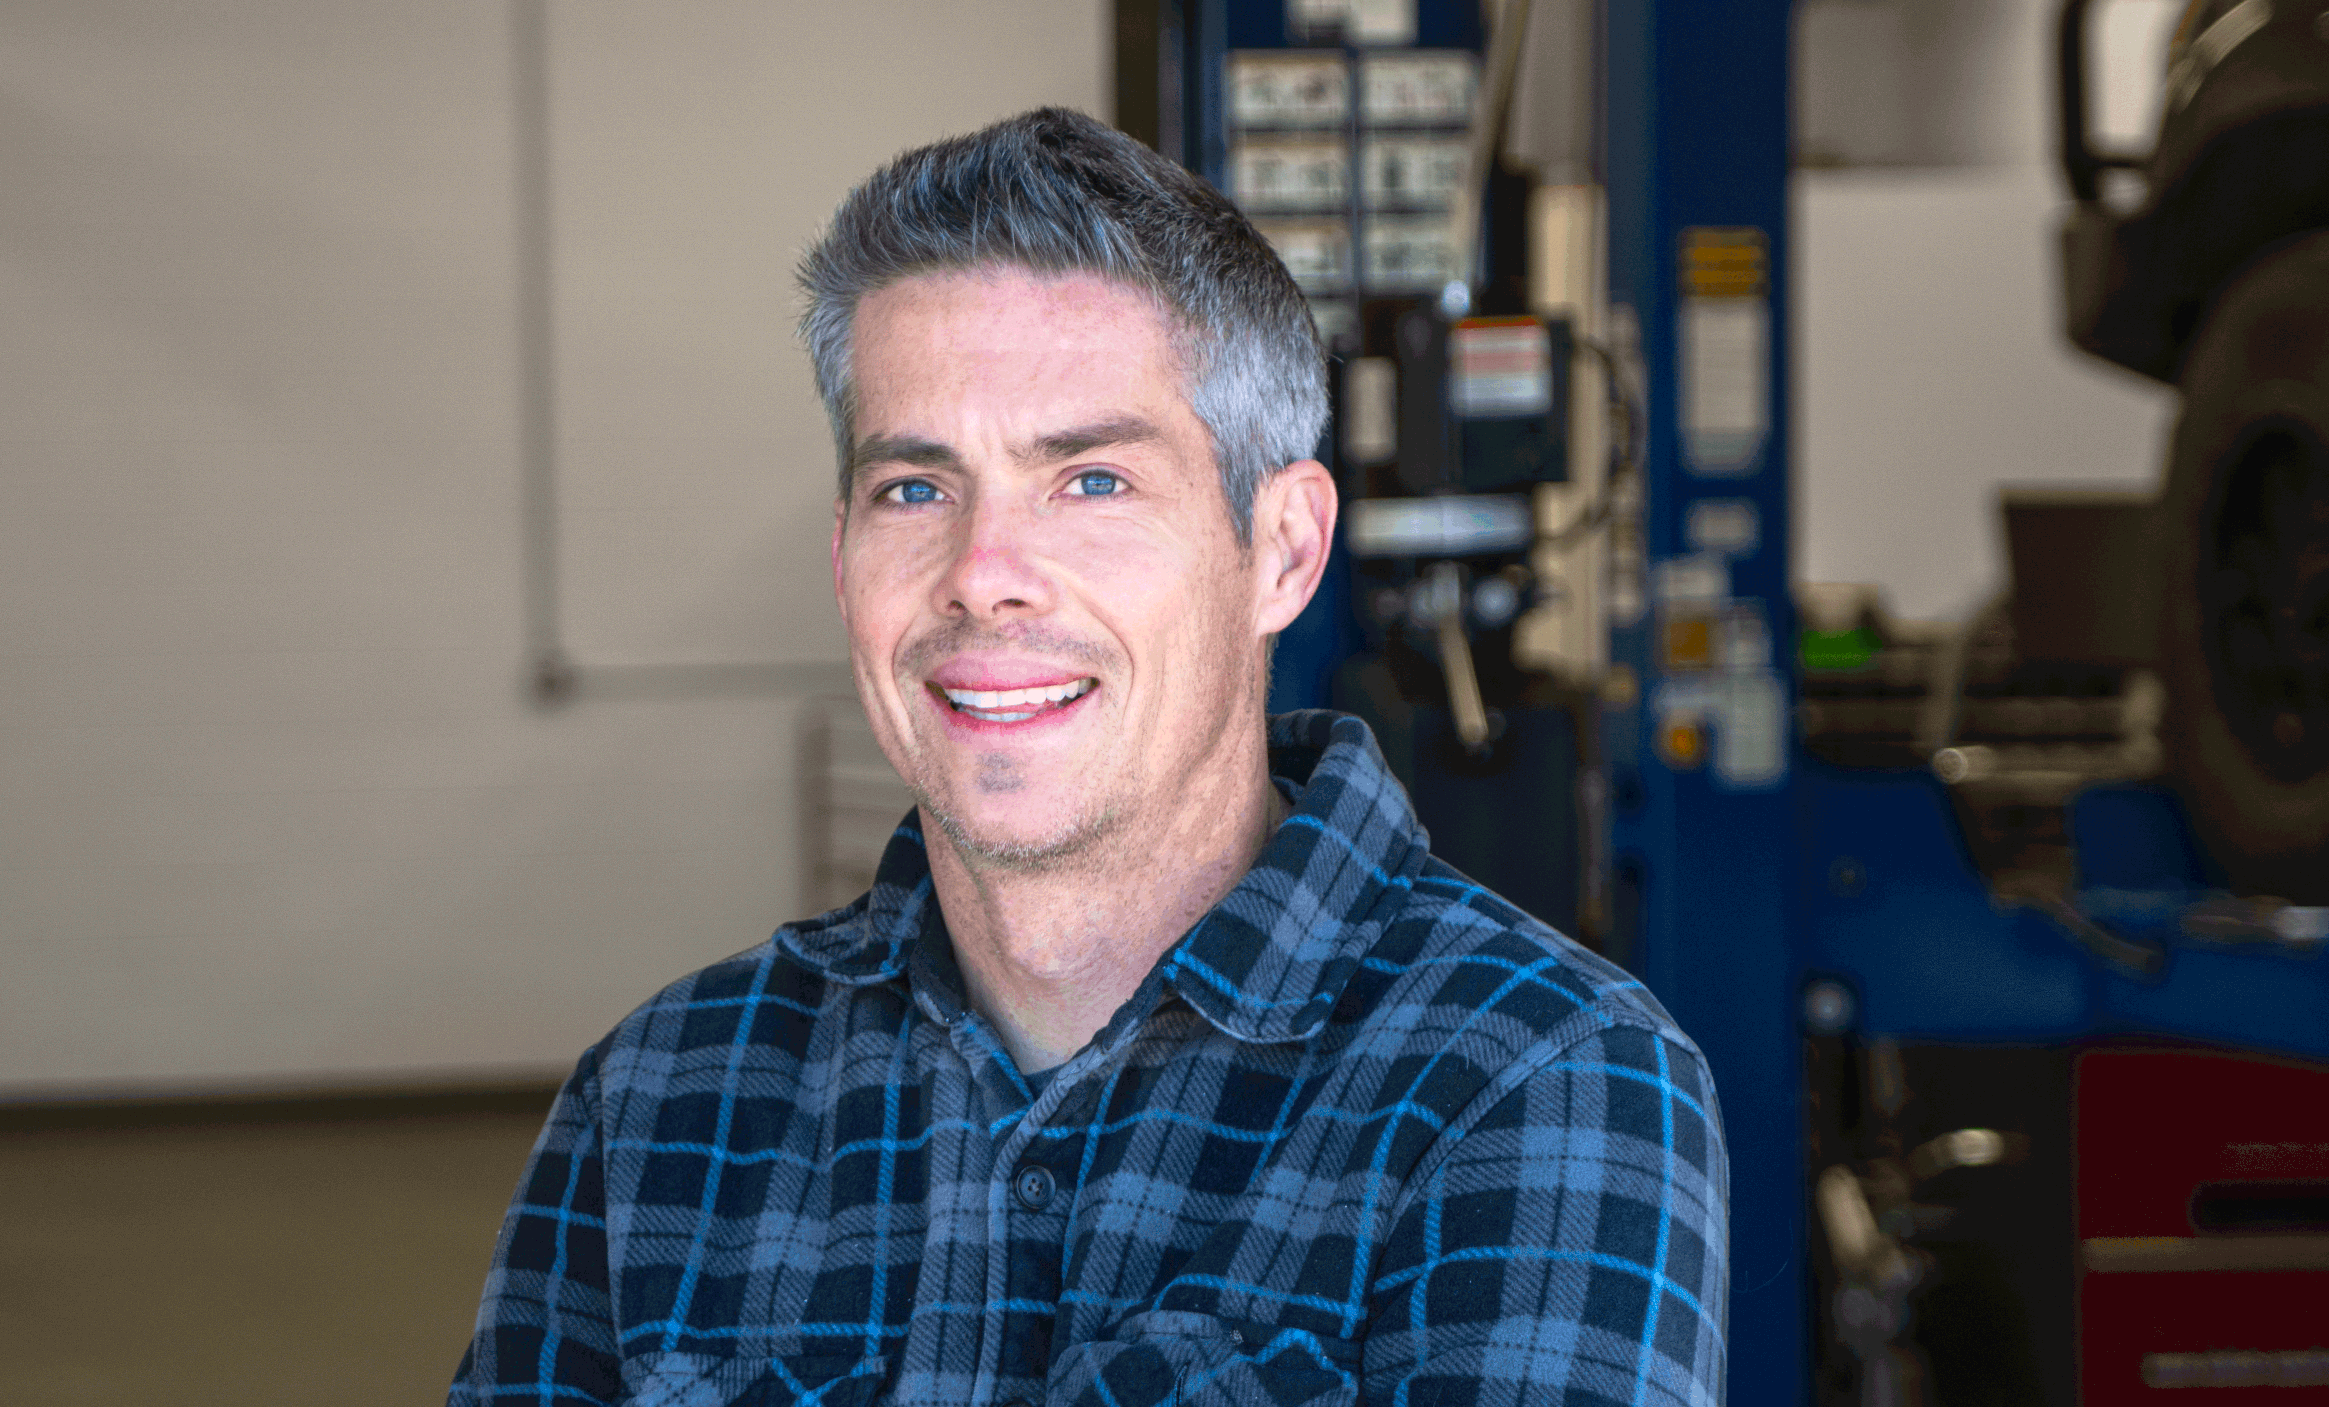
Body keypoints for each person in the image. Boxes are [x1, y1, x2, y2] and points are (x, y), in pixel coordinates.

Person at [451, 107, 1726, 1407]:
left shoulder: (1536, 1078)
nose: (984, 575)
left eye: (1093, 481)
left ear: (1282, 548)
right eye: (915, 487)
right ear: (844, 560)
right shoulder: (664, 1093)